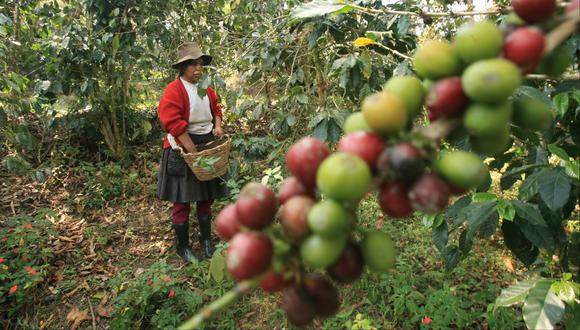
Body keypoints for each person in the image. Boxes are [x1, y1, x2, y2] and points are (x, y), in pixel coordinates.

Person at [157, 42, 229, 263]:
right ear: (183, 67)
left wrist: (217, 126)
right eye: (193, 65)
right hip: (183, 146)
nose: (198, 69)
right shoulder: (174, 89)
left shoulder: (205, 88)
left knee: (206, 196)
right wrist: (192, 153)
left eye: (201, 65)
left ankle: (206, 240)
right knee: (182, 200)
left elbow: (216, 107)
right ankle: (183, 246)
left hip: (206, 144)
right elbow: (173, 123)